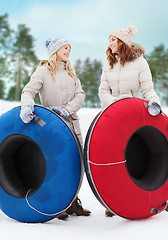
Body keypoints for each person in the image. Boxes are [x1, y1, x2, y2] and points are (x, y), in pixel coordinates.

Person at [20, 38, 91, 220]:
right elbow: (28, 91)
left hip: (72, 124)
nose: (68, 51)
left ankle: (73, 202)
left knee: (77, 164)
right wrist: (27, 106)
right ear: (55, 50)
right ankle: (60, 204)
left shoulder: (71, 73)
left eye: (70, 48)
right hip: (52, 126)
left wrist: (67, 109)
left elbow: (80, 95)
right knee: (57, 164)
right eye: (65, 47)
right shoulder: (43, 71)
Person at [98, 25, 161, 217]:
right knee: (112, 158)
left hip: (133, 117)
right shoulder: (108, 65)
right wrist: (114, 104)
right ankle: (113, 203)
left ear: (123, 42)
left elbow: (148, 89)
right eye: (109, 40)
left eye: (113, 40)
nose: (109, 44)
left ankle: (158, 196)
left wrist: (154, 102)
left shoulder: (140, 63)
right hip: (111, 115)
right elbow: (102, 92)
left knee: (134, 153)